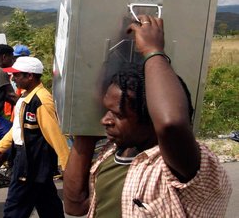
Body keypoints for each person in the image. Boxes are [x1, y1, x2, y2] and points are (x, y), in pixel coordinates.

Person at [63, 15, 232, 217]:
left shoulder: (182, 164)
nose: (104, 120)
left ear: (151, 119)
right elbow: (75, 206)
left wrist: (153, 51)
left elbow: (171, 125)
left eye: (117, 114)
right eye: (106, 110)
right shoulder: (112, 153)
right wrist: (84, 130)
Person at [0, 56, 70, 218]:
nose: (13, 79)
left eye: (17, 75)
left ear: (30, 76)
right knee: (48, 204)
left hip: (31, 163)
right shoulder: (25, 97)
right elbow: (17, 129)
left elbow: (55, 135)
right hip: (26, 157)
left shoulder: (41, 101)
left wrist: (67, 165)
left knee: (15, 208)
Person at [4, 44, 31, 121]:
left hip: (20, 112)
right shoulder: (13, 72)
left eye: (15, 58)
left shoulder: (26, 76)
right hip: (12, 111)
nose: (12, 60)